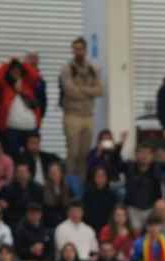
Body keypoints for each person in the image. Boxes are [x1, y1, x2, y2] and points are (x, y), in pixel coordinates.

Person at [59, 37, 103, 180]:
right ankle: (70, 184)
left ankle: (82, 185)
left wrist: (81, 89)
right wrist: (89, 91)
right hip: (72, 115)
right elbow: (70, 91)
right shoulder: (67, 69)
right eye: (75, 49)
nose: (78, 52)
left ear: (85, 50)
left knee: (84, 154)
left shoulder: (93, 69)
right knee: (73, 152)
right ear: (72, 50)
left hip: (88, 116)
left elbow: (100, 91)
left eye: (81, 49)